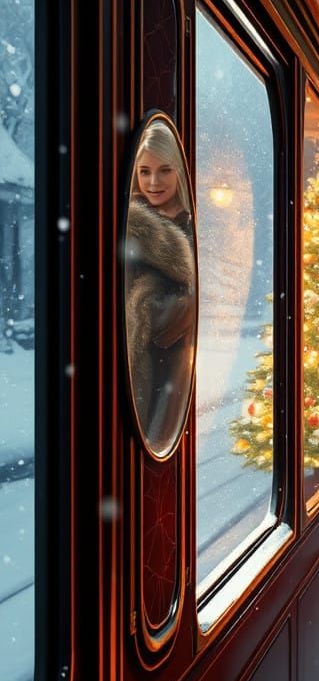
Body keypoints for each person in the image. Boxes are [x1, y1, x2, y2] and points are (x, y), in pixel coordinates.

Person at [124, 116, 195, 444]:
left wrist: (156, 311)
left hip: (173, 352)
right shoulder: (125, 220)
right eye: (144, 171)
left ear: (179, 171)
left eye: (164, 170)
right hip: (128, 350)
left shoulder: (191, 224)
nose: (154, 181)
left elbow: (192, 297)